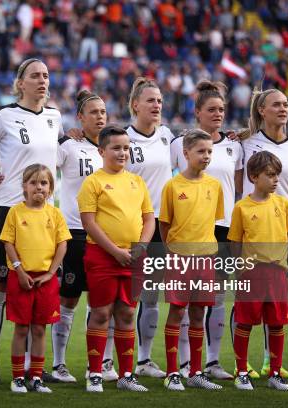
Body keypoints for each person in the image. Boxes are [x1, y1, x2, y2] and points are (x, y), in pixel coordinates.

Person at [0, 58, 63, 384]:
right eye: (34, 76)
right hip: (8, 211)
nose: (42, 80)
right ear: (20, 82)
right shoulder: (3, 115)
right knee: (0, 288)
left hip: (44, 217)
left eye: (45, 75)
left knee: (38, 288)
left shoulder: (55, 117)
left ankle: (32, 367)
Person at [170, 80, 243, 380]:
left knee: (216, 297)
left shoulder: (234, 145)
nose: (218, 114)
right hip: (189, 231)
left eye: (222, 109)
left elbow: (237, 189)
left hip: (223, 228)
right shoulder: (178, 144)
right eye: (211, 109)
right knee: (185, 301)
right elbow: (169, 180)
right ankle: (187, 364)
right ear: (197, 111)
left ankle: (212, 361)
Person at [78, 125, 155, 393]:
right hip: (103, 256)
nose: (123, 153)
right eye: (116, 148)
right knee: (101, 313)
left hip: (133, 256)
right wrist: (115, 251)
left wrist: (142, 245)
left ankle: (125, 375)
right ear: (102, 151)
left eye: (126, 148)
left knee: (127, 313)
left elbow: (148, 218)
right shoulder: (93, 182)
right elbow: (89, 223)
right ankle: (95, 373)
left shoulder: (137, 181)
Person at [235, 88, 288, 378]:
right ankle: (242, 365)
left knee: (276, 305)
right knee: (245, 305)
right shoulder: (244, 143)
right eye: (276, 104)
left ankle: (269, 362)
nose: (284, 108)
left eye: (287, 104)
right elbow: (238, 181)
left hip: (282, 231)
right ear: (261, 110)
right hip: (251, 229)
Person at [51, 90, 112, 383]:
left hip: (107, 236)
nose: (100, 117)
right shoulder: (68, 146)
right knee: (69, 299)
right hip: (75, 232)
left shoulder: (113, 147)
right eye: (94, 112)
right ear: (80, 117)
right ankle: (58, 364)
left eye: (103, 112)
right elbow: (44, 169)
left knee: (103, 303)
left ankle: (99, 364)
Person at [159, 130, 224, 391]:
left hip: (206, 259)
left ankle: (196, 371)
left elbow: (212, 223)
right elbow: (165, 224)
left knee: (199, 313)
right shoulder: (172, 186)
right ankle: (173, 372)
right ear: (186, 154)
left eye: (209, 151)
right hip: (179, 259)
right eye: (200, 151)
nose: (206, 156)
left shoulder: (214, 186)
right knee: (177, 312)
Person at [228, 151, 288, 392]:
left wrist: (287, 266)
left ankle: (276, 374)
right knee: (245, 323)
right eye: (270, 175)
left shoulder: (284, 204)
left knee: (277, 323)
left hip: (277, 274)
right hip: (251, 273)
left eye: (277, 174)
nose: (276, 179)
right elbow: (235, 242)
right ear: (254, 177)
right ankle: (242, 372)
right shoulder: (241, 208)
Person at [0, 164, 71, 393]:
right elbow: (8, 242)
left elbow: (62, 244)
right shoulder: (15, 212)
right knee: (21, 329)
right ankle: (18, 377)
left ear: (51, 188)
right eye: (33, 182)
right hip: (21, 278)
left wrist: (51, 273)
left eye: (44, 183)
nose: (38, 187)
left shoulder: (55, 213)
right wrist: (19, 270)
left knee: (39, 329)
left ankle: (36, 377)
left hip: (46, 280)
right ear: (24, 186)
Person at [124, 77, 173, 379]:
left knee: (152, 295)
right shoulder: (122, 139)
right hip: (131, 226)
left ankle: (143, 360)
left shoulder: (168, 136)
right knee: (122, 297)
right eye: (151, 101)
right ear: (135, 105)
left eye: (159, 101)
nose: (157, 105)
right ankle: (106, 361)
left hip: (161, 227)